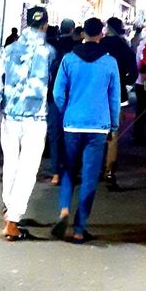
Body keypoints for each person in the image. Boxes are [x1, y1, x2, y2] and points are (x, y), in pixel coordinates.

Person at [0, 6, 55, 241]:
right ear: (45, 24)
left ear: (25, 23)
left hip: (10, 117)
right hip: (36, 119)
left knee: (11, 164)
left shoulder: (10, 49)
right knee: (28, 169)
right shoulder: (50, 53)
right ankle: (12, 222)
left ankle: (9, 207)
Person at [52, 17, 120, 243]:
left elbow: (57, 94)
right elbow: (114, 98)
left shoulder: (69, 60)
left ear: (83, 34)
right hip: (98, 127)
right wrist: (114, 125)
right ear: (101, 34)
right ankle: (80, 228)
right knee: (90, 177)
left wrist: (67, 111)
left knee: (69, 169)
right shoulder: (109, 63)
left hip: (72, 123)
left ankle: (63, 209)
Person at [101, 16, 137, 189]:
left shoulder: (100, 45)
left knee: (96, 132)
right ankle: (109, 171)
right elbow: (133, 74)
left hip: (98, 94)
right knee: (113, 135)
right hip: (118, 95)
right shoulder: (125, 47)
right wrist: (123, 81)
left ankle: (95, 168)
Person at [48, 18, 77, 182]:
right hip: (72, 96)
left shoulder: (53, 47)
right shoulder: (75, 48)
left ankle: (55, 172)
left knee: (55, 135)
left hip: (53, 95)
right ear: (72, 29)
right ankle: (68, 170)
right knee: (70, 135)